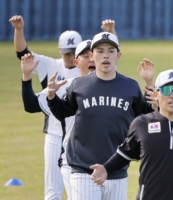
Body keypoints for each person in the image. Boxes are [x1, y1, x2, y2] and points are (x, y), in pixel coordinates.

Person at [10, 15, 117, 200]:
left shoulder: (103, 78)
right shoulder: (65, 81)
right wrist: (26, 76)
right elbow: (23, 56)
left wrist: (109, 33)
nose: (70, 56)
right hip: (57, 137)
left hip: (91, 143)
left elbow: (112, 56)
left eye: (78, 52)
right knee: (54, 191)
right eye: (68, 53)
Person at [47, 31, 157, 200]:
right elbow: (62, 112)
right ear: (91, 55)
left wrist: (149, 84)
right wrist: (52, 96)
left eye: (110, 51)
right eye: (100, 51)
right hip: (84, 170)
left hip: (117, 169)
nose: (105, 55)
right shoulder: (78, 86)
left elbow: (147, 117)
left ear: (118, 55)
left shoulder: (130, 87)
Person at [90, 69, 173, 200]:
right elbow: (125, 153)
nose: (172, 95)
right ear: (155, 94)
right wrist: (106, 169)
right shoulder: (141, 124)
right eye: (166, 90)